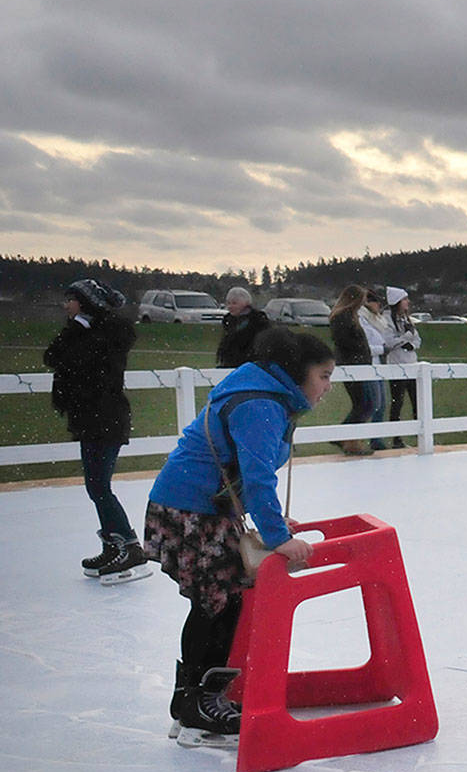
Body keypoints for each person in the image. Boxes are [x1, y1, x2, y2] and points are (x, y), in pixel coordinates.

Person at [143, 327, 331, 747]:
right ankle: (198, 705)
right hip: (190, 511)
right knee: (218, 603)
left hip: (202, 508)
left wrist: (274, 526)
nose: (328, 386)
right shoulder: (260, 405)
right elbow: (258, 475)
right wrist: (277, 536)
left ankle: (196, 700)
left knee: (221, 602)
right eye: (323, 375)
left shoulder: (266, 398)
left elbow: (241, 473)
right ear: (295, 373)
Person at [44, 279, 152, 585]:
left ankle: (129, 547)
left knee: (99, 486)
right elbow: (53, 357)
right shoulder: (84, 330)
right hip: (90, 419)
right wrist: (76, 328)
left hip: (106, 418)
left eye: (72, 300)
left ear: (86, 303)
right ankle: (112, 545)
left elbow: (84, 361)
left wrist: (78, 329)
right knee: (95, 486)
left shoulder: (112, 332)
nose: (67, 306)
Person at [329, 285, 382, 455]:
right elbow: (344, 341)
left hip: (359, 364)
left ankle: (346, 438)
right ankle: (347, 439)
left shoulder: (350, 316)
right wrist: (360, 350)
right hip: (353, 365)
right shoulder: (343, 317)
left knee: (365, 404)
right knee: (365, 404)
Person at [381, 286, 421, 448]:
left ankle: (421, 435)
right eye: (404, 299)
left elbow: (417, 339)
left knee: (417, 402)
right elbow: (389, 342)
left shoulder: (406, 319)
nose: (407, 302)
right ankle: (396, 438)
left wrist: (412, 344)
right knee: (397, 402)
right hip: (397, 366)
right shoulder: (388, 321)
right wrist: (406, 338)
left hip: (412, 365)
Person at [358, 287, 393, 451]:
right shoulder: (361, 319)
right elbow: (363, 347)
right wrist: (381, 349)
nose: (379, 306)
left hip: (377, 365)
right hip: (368, 365)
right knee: (373, 404)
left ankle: (376, 438)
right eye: (377, 302)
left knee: (381, 404)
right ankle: (365, 438)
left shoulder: (376, 320)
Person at [215, 287, 270, 369]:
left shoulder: (258, 319)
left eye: (234, 303)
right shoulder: (228, 320)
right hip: (230, 364)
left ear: (246, 303)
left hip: (252, 364)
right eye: (228, 303)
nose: (230, 306)